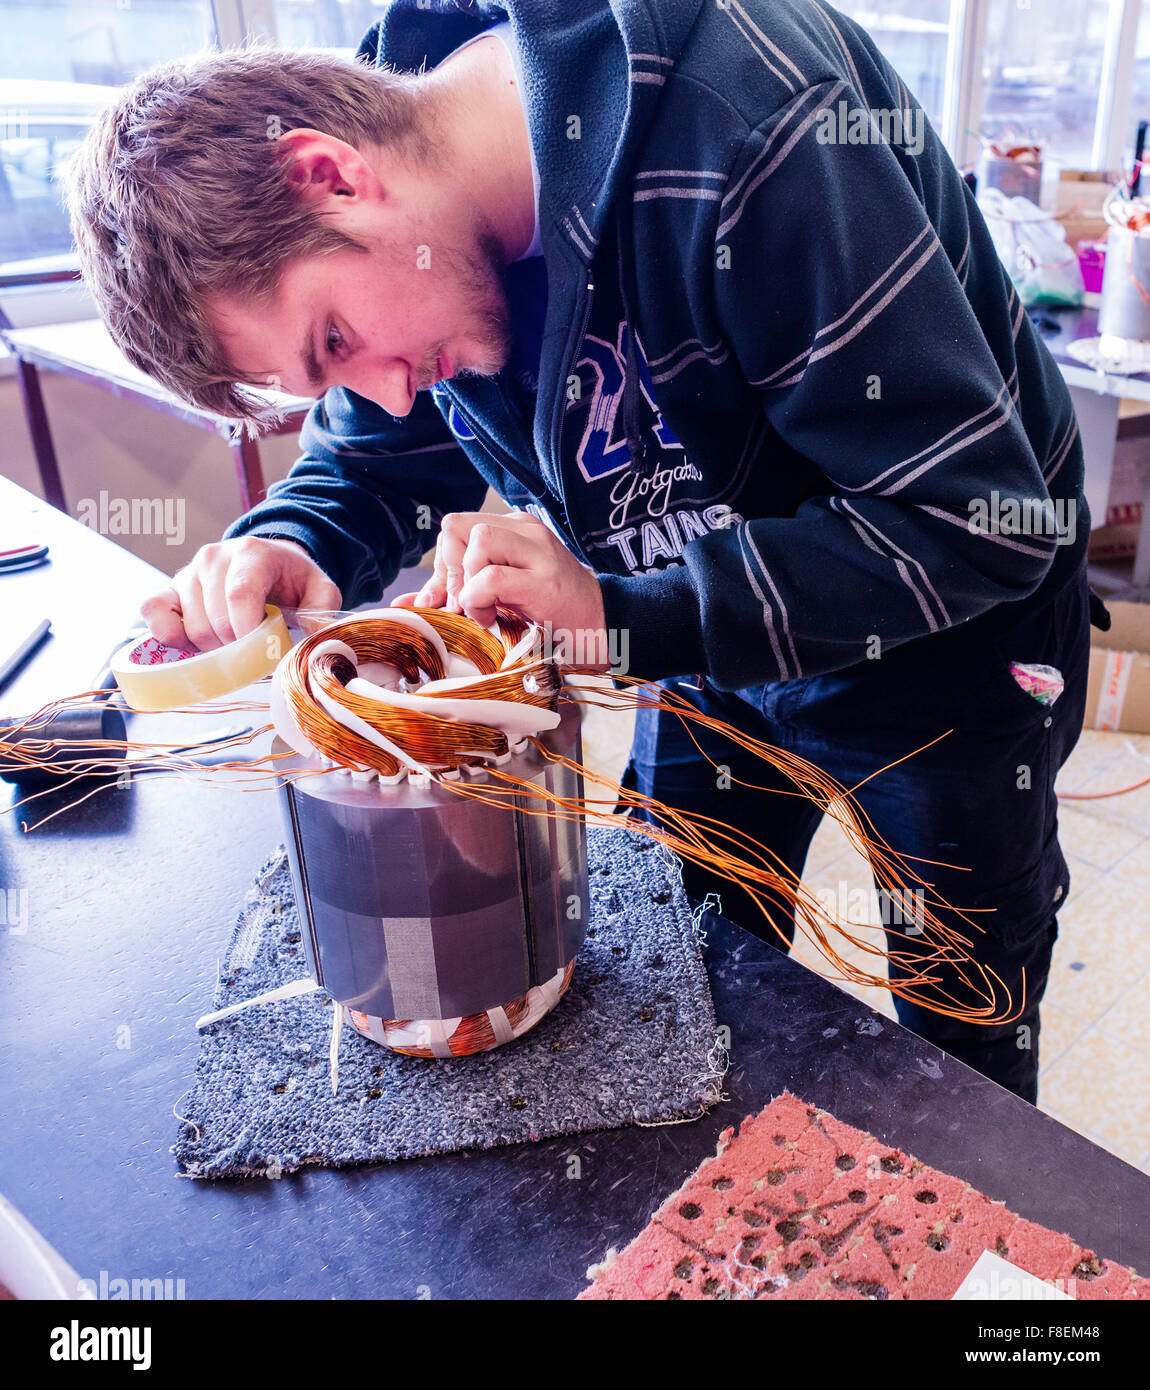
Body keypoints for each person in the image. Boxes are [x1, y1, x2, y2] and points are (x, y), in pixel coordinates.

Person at [68, 0, 1103, 1103]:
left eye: (335, 338)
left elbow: (964, 521)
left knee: (960, 1024)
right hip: (692, 637)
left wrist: (619, 618)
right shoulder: (413, 185)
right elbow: (374, 453)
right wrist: (296, 536)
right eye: (324, 375)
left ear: (328, 173)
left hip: (941, 636)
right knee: (690, 969)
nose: (388, 386)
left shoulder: (751, 131)